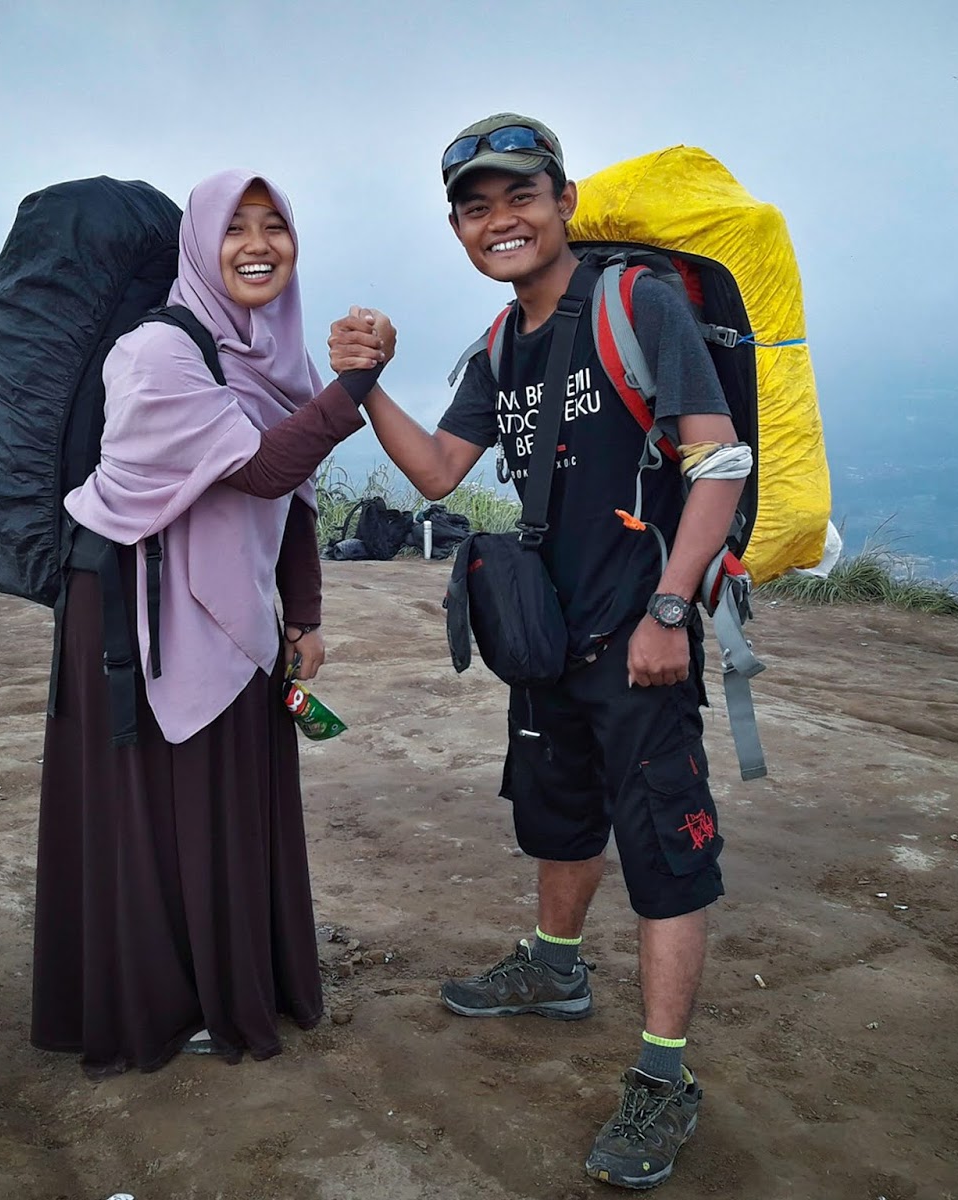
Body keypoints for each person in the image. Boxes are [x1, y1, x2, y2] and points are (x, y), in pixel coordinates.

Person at [328, 115, 746, 1189]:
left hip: (638, 631)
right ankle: (555, 969)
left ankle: (663, 1077)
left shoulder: (636, 304)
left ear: (562, 202)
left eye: (518, 196)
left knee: (662, 851)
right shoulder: (499, 346)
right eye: (475, 207)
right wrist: (368, 383)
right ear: (460, 230)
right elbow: (435, 472)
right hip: (547, 637)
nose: (498, 220)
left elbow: (718, 462)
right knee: (558, 813)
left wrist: (668, 610)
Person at [31, 169, 387, 1073]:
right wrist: (353, 392)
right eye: (237, 228)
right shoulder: (156, 353)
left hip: (234, 607)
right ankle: (152, 1002)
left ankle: (234, 988)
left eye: (277, 227)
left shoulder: (276, 353)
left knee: (230, 797)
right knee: (152, 809)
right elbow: (261, 469)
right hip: (129, 608)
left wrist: (304, 616)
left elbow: (295, 502)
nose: (259, 245)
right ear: (200, 245)